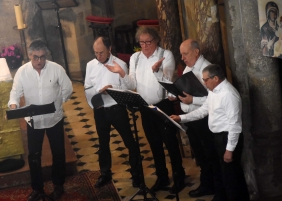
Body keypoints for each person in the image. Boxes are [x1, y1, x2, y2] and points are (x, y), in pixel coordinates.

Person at [106, 26, 185, 194]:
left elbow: (168, 80)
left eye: (148, 42)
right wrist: (121, 73)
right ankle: (162, 177)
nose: (144, 46)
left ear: (156, 40)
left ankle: (180, 177)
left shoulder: (166, 55)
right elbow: (132, 84)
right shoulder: (135, 58)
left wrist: (157, 71)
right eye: (141, 42)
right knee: (154, 143)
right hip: (145, 107)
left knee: (170, 143)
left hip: (163, 105)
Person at [170, 64, 250, 201]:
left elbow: (235, 125)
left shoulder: (229, 95)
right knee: (225, 175)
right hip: (218, 137)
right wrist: (181, 118)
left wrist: (229, 150)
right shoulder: (213, 91)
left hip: (227, 138)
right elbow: (203, 110)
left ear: (216, 78)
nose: (204, 83)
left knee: (232, 178)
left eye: (205, 80)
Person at [8, 40, 73, 201]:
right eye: (36, 57)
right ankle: (37, 188)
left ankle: (58, 185)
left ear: (46, 56)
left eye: (42, 57)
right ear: (29, 55)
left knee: (58, 153)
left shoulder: (56, 69)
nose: (39, 61)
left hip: (54, 119)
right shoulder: (22, 72)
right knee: (34, 156)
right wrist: (14, 104)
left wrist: (59, 102)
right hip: (33, 121)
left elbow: (68, 88)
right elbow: (15, 91)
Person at [84, 36, 141, 188]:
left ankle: (137, 176)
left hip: (117, 109)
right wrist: (99, 92)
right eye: (96, 53)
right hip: (100, 110)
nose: (98, 56)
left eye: (101, 52)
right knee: (103, 144)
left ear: (109, 49)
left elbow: (127, 89)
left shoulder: (120, 64)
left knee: (130, 142)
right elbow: (87, 88)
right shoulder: (90, 65)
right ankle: (105, 174)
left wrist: (112, 90)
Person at [169, 39, 216, 198]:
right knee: (200, 154)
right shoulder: (189, 67)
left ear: (196, 52)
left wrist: (192, 100)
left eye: (185, 54)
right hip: (191, 119)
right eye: (181, 54)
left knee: (207, 154)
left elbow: (214, 100)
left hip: (203, 120)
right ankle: (207, 182)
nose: (182, 58)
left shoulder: (207, 70)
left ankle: (210, 185)